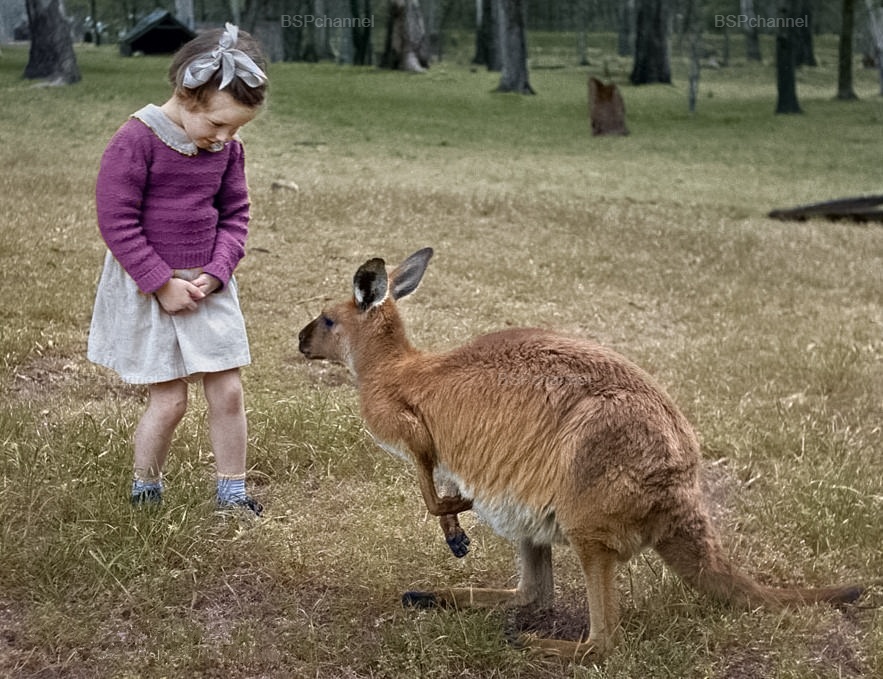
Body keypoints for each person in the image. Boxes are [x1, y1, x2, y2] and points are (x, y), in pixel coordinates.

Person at [88, 24, 268, 515]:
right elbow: (116, 220)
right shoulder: (136, 140)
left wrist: (218, 269)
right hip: (151, 286)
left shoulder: (227, 149)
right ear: (187, 96)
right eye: (217, 124)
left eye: (237, 129)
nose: (226, 138)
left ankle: (231, 494)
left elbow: (235, 215)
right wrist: (160, 283)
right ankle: (145, 490)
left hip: (207, 286)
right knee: (170, 402)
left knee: (228, 391)